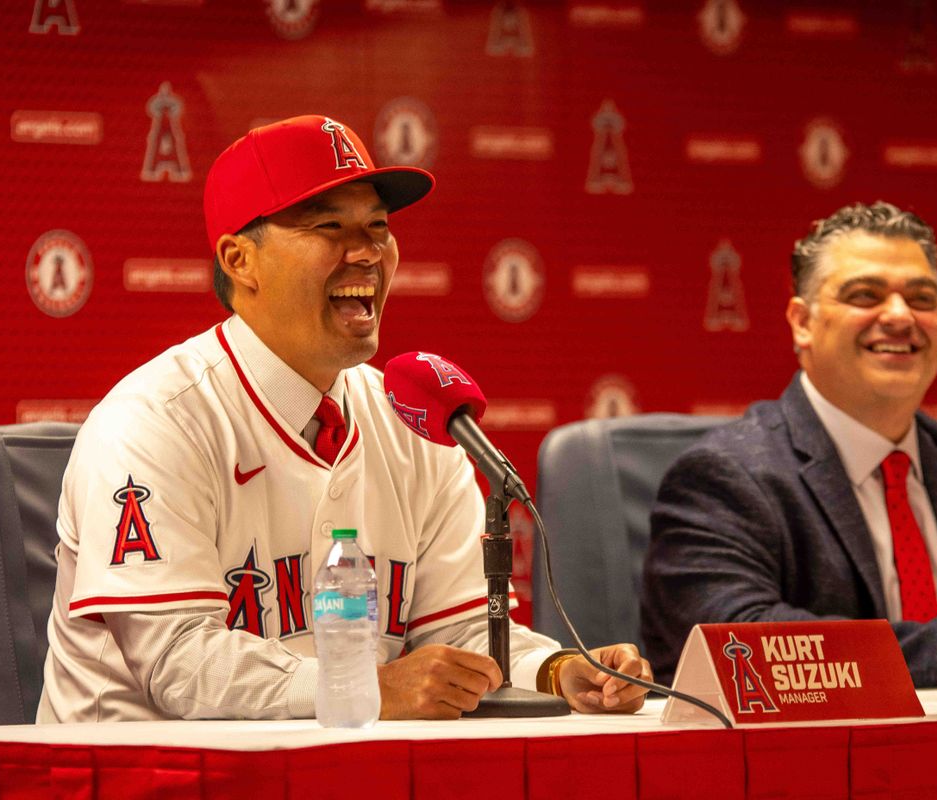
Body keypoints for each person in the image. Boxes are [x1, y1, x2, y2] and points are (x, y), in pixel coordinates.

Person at [39, 115, 651, 722]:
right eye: (329, 227)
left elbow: (461, 637)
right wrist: (368, 688)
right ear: (239, 259)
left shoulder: (415, 419)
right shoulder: (154, 421)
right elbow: (177, 660)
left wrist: (557, 672)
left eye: (377, 227)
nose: (367, 253)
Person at [641, 201, 937, 687]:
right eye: (865, 295)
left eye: (921, 298)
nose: (900, 317)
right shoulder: (726, 474)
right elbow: (737, 647)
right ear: (802, 322)